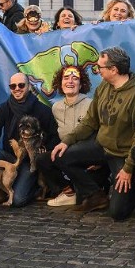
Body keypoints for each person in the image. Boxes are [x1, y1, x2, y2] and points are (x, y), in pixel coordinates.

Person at [48, 47, 135, 220]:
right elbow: (90, 120)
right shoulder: (103, 86)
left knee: (118, 213)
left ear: (113, 70)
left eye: (100, 67)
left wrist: (128, 168)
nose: (97, 70)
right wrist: (67, 141)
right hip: (102, 146)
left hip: (123, 155)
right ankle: (95, 194)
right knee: (60, 155)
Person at [0, 72, 58, 207]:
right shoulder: (4, 108)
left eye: (21, 85)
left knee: (18, 200)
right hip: (7, 155)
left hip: (28, 161)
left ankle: (34, 187)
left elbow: (54, 135)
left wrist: (45, 150)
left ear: (29, 86)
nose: (17, 88)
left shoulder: (42, 110)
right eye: (13, 86)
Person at [37, 64, 93, 204]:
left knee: (85, 198)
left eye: (75, 78)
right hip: (65, 156)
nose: (70, 81)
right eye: (66, 78)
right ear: (60, 84)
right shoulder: (56, 107)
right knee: (43, 159)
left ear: (81, 85)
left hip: (87, 155)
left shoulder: (91, 104)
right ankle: (67, 193)